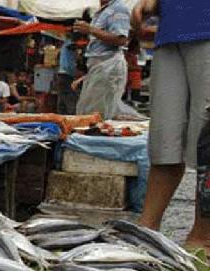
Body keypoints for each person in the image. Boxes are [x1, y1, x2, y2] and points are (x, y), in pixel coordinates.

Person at [132, 0, 210, 253]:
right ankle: (147, 226)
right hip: (171, 32)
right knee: (165, 138)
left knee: (207, 139)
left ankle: (202, 234)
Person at [73, 0, 131, 119]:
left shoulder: (118, 8)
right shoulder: (101, 11)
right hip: (100, 66)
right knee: (87, 112)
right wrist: (87, 76)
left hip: (108, 65)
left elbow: (120, 39)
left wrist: (91, 29)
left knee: (96, 115)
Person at [56, 36, 78, 115]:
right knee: (70, 99)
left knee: (62, 101)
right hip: (66, 75)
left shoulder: (65, 46)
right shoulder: (69, 44)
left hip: (62, 75)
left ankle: (62, 118)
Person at [125, 38, 142, 103]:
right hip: (131, 83)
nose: (139, 48)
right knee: (133, 100)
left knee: (136, 100)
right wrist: (138, 68)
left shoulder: (134, 56)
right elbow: (127, 66)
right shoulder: (129, 55)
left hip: (135, 83)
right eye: (138, 46)